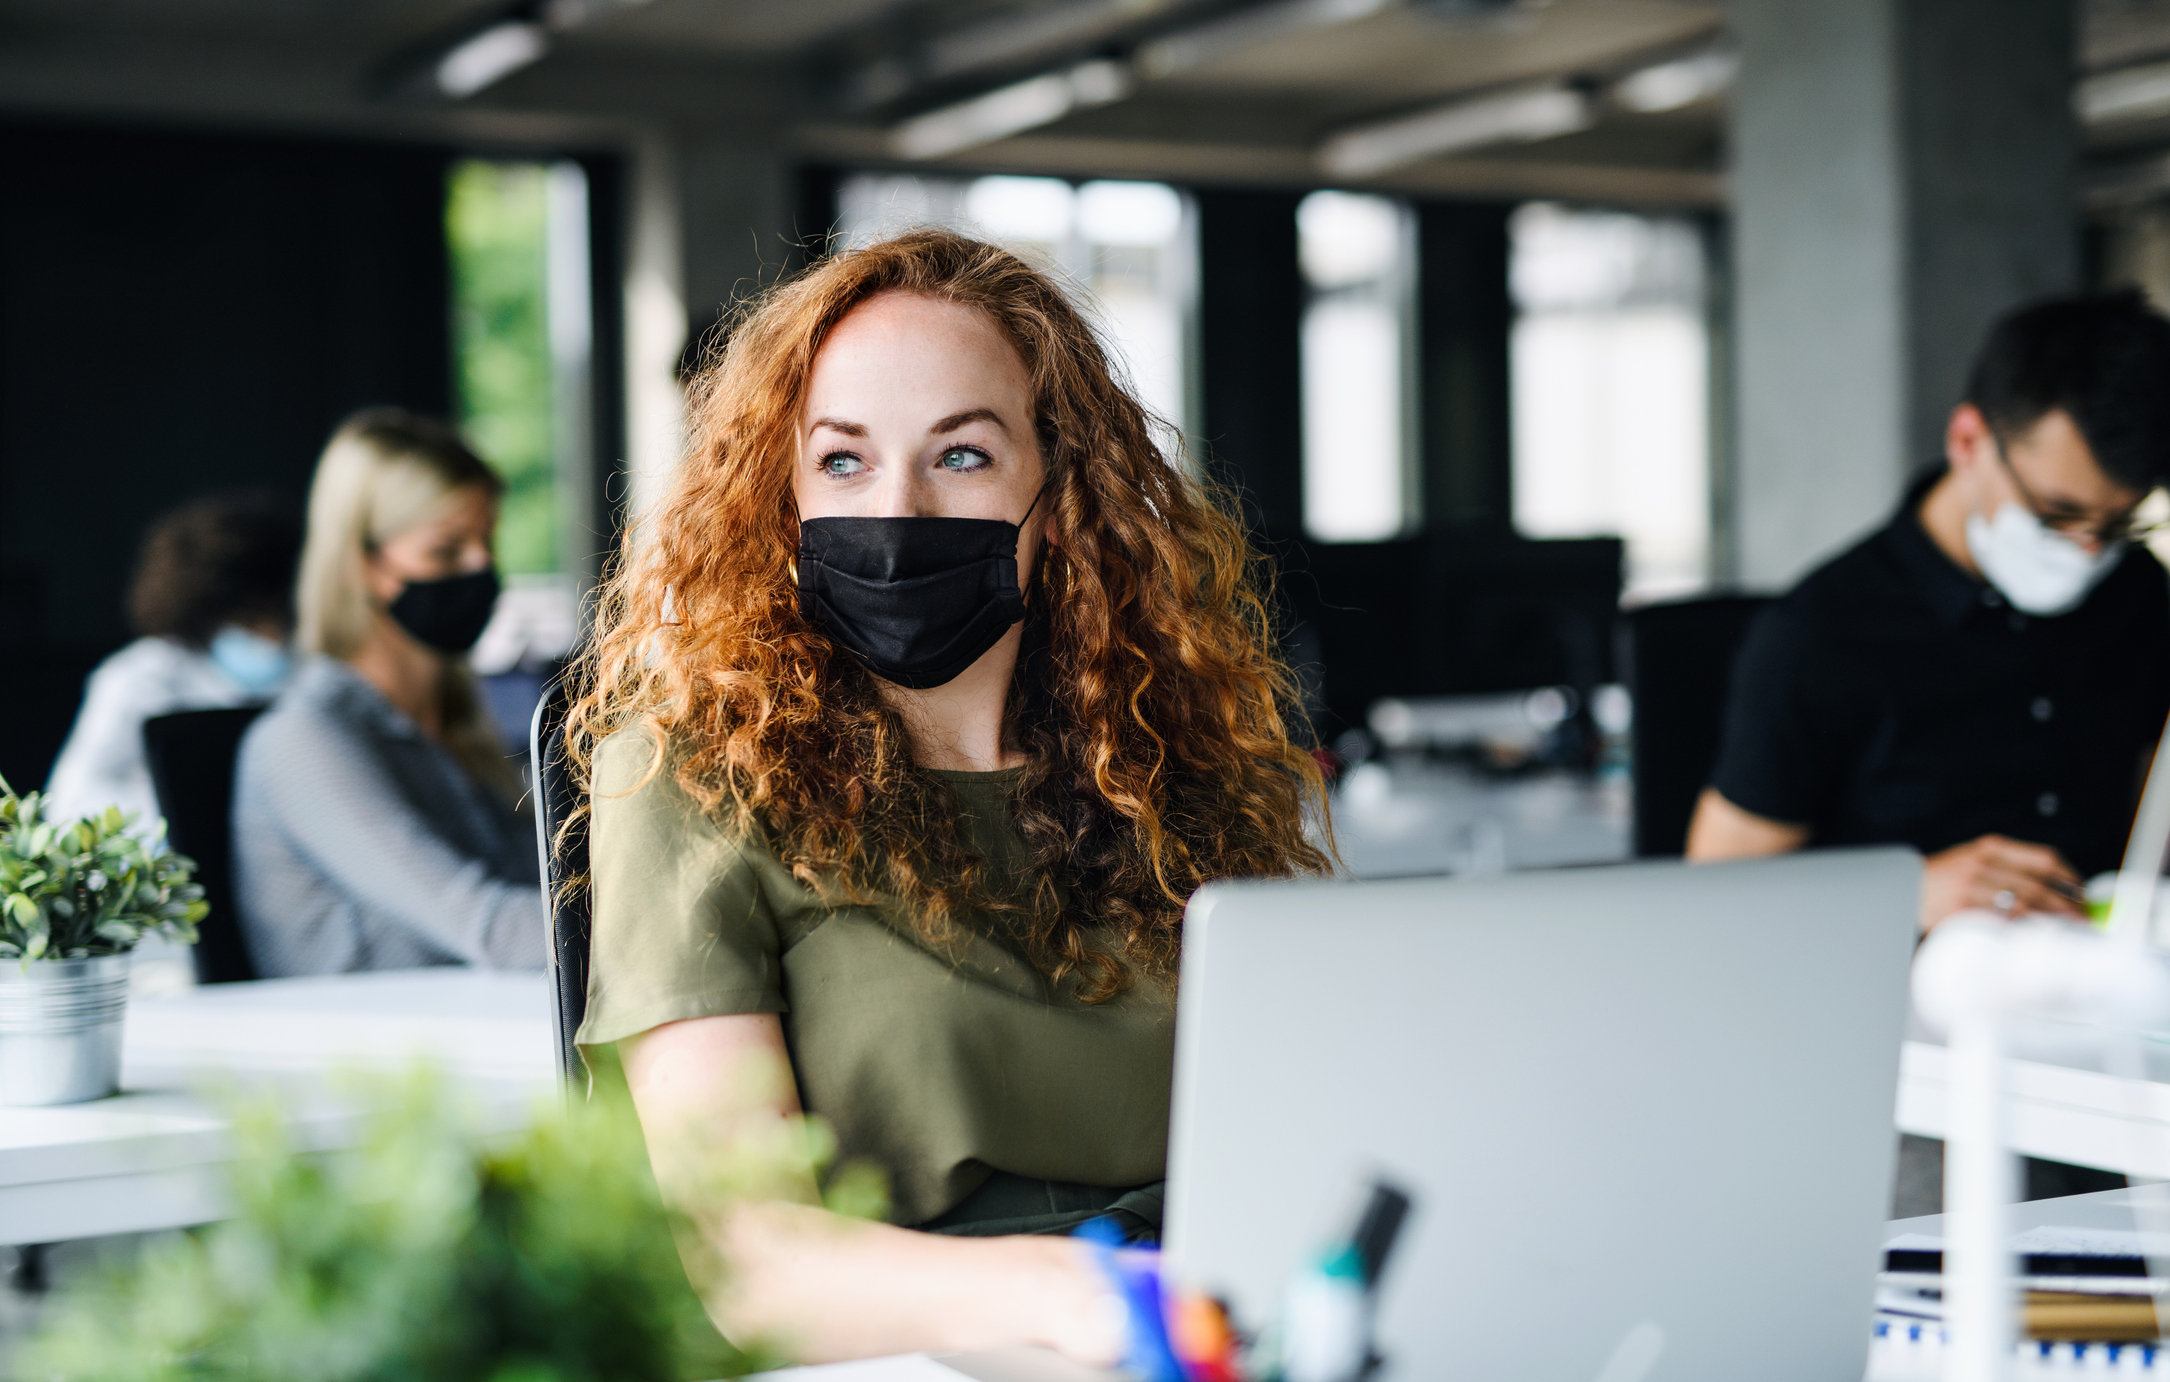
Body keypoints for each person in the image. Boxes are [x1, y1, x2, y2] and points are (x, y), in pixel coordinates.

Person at [565, 229, 1330, 1365]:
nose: (900, 506)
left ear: (1061, 496)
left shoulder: (1189, 764)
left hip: (1213, 1325)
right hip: (917, 1352)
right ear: (782, 499)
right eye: (842, 461)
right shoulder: (692, 773)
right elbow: (748, 1258)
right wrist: (1073, 1294)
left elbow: (1307, 1124)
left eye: (961, 456)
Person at [1688, 290, 2170, 932]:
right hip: (1896, 994)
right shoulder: (1819, 635)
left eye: (2116, 526)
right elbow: (1718, 896)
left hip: (2105, 983)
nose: (2087, 551)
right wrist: (1905, 894)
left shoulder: (2136, 590)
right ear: (1968, 440)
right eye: (2057, 515)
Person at [232, 408, 545, 976]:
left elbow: (545, 887)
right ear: (362, 562)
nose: (482, 568)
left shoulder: (460, 726)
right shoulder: (301, 741)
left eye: (487, 542)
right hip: (380, 1058)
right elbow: (493, 929)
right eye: (446, 551)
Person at [44, 494, 301, 827]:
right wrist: (177, 813)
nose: (270, 635)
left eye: (278, 616)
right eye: (251, 618)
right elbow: (71, 802)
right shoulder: (140, 677)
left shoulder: (317, 671)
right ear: (209, 608)